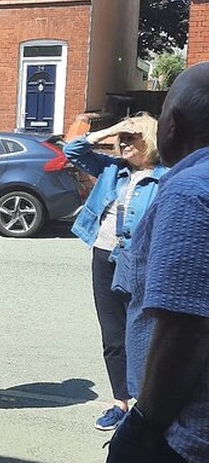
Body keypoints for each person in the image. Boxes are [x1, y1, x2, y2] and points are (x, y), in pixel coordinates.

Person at [100, 62, 209, 463]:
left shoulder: (187, 190)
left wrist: (146, 427)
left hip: (182, 446)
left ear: (173, 124)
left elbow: (184, 326)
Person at [65, 114, 166, 431]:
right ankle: (120, 402)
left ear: (148, 141)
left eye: (130, 138)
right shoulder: (112, 168)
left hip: (141, 260)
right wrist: (110, 131)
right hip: (104, 255)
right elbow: (72, 152)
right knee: (112, 335)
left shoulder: (166, 177)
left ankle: (145, 406)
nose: (122, 143)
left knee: (144, 335)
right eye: (121, 139)